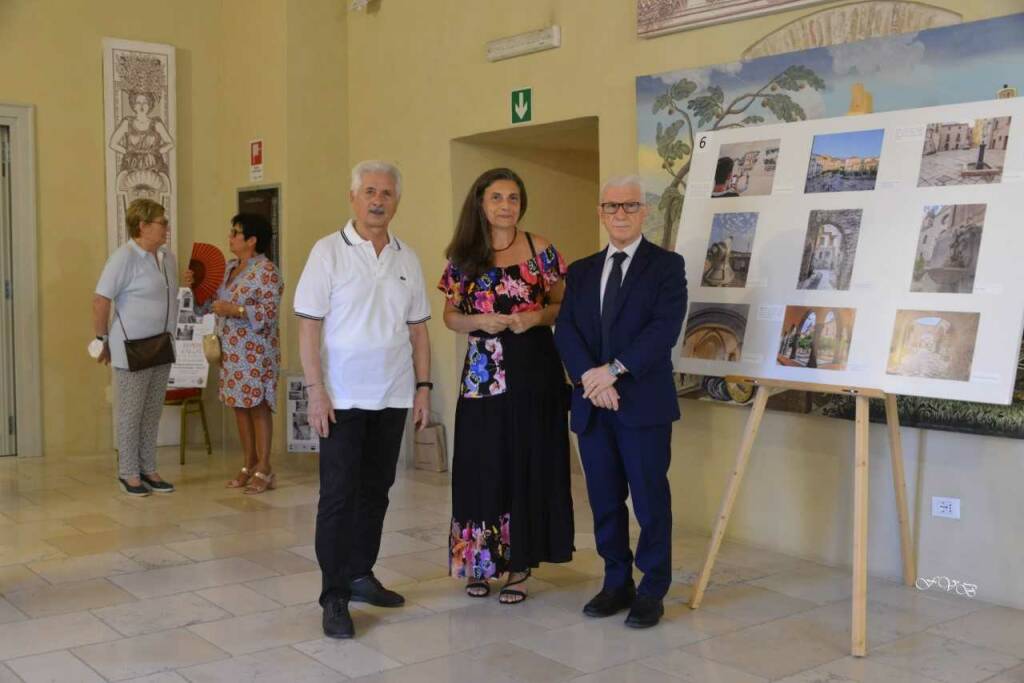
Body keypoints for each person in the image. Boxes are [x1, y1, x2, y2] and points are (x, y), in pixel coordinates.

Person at [294, 160, 432, 640]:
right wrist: (315, 391)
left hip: (392, 395)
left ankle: (360, 574)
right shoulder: (327, 252)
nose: (378, 200)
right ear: (353, 197)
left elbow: (418, 331)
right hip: (341, 398)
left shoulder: (407, 258)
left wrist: (423, 388)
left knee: (376, 491)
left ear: (397, 201)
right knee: (337, 497)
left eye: (387, 193)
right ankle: (333, 596)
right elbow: (309, 327)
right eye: (370, 191)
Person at [554, 175, 687, 629]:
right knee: (604, 500)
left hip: (643, 406)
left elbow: (663, 331)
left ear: (644, 211)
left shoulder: (667, 267)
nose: (620, 214)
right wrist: (592, 380)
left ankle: (651, 588)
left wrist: (611, 371)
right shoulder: (583, 270)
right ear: (601, 213)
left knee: (649, 501)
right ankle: (616, 582)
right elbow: (566, 329)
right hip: (594, 406)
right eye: (611, 207)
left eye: (629, 206)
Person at [439, 168, 574, 605]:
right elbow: (450, 316)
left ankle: (519, 566)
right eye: (496, 197)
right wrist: (479, 321)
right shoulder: (463, 255)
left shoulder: (542, 250)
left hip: (535, 368)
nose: (505, 205)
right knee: (482, 463)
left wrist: (536, 317)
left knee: (528, 461)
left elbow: (560, 304)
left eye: (513, 198)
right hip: (483, 374)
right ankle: (480, 563)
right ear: (480, 202)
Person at [187, 214, 283, 493]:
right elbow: (207, 306)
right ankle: (248, 463)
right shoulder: (229, 269)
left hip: (256, 351)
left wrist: (237, 310)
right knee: (239, 407)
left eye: (236, 233)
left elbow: (269, 313)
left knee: (258, 406)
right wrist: (196, 288)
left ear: (252, 240)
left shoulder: (267, 271)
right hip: (231, 351)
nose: (229, 237)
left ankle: (264, 466)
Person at [93, 198, 178, 497]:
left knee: (152, 412)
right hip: (132, 347)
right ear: (142, 226)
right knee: (131, 413)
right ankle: (128, 472)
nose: (166, 227)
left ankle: (148, 467)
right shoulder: (123, 258)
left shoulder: (167, 257)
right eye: (161, 222)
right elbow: (101, 299)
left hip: (161, 345)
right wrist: (100, 339)